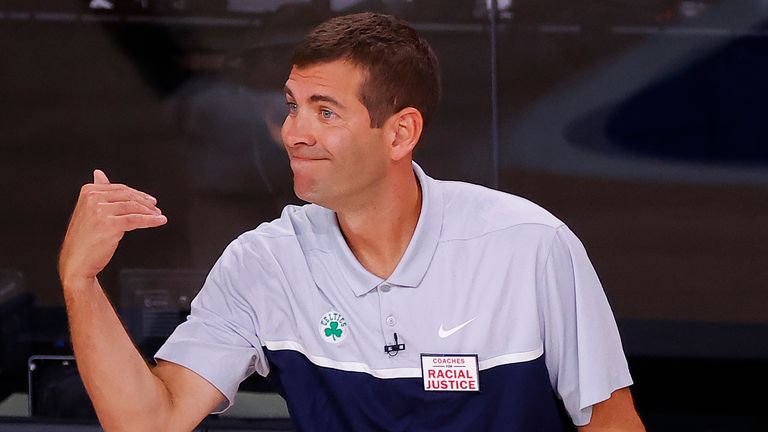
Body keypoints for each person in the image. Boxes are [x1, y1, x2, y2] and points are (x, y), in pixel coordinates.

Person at [58, 12, 645, 431]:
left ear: (400, 133)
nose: (294, 132)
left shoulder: (530, 245)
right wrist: (79, 281)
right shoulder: (262, 262)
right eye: (293, 106)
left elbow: (612, 423)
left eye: (326, 112)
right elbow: (150, 422)